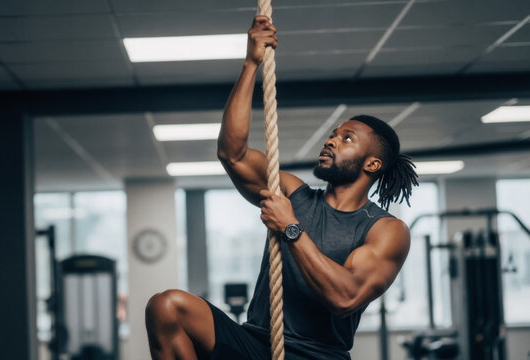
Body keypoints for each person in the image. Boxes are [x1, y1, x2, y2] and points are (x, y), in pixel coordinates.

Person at [145, 15, 418, 360]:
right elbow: (234, 153)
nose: (331, 141)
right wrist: (250, 63)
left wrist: (291, 228)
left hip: (317, 355)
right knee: (166, 307)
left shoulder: (386, 230)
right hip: (257, 343)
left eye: (346, 138)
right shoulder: (293, 192)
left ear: (372, 164)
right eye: (333, 134)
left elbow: (344, 298)